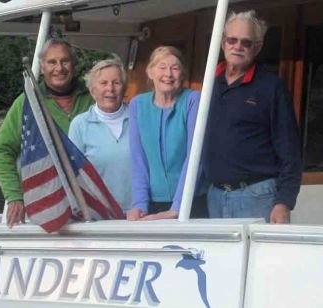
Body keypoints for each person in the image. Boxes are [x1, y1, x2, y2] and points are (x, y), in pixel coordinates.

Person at [203, 10, 302, 223]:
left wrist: (284, 202)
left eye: (246, 42)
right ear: (223, 43)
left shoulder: (271, 87)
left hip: (257, 197)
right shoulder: (209, 84)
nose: (237, 46)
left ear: (257, 47)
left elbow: (290, 150)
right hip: (214, 196)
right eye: (232, 40)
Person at [0, 39, 93, 228]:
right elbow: (1, 150)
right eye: (52, 62)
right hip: (50, 205)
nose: (59, 68)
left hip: (91, 201)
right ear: (42, 66)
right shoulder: (26, 103)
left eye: (65, 61)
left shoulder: (94, 97)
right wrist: (14, 195)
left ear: (74, 63)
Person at [127, 46, 207, 221]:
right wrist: (140, 204)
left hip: (192, 202)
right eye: (162, 67)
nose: (168, 74)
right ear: (150, 72)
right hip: (153, 204)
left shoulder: (193, 100)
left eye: (175, 68)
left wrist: (178, 206)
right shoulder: (137, 105)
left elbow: (195, 157)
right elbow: (138, 159)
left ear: (182, 74)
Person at [68, 59, 131, 213]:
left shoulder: (139, 119)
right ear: (92, 90)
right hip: (98, 215)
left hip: (137, 214)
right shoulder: (80, 125)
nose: (110, 89)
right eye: (103, 83)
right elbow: (72, 174)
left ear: (124, 89)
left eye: (116, 83)